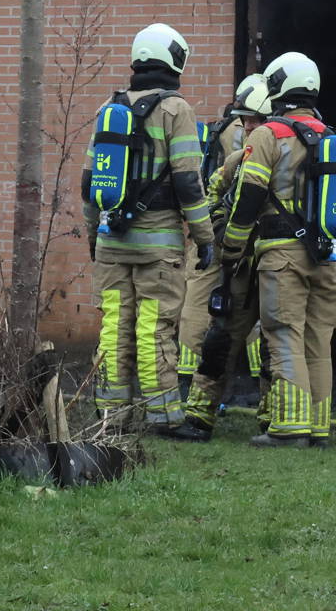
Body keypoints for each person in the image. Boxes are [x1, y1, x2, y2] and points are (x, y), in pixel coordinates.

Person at [85, 23, 215, 431]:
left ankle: (112, 414)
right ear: (175, 61)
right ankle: (163, 416)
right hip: (158, 246)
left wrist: (95, 235)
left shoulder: (109, 109)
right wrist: (205, 236)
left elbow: (90, 183)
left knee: (114, 326)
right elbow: (188, 182)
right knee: (154, 328)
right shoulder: (177, 111)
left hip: (111, 242)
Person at [222, 51, 336, 447]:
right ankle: (318, 427)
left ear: (277, 88)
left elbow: (249, 197)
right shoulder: (331, 137)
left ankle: (290, 428)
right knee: (318, 341)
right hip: (326, 256)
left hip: (281, 254)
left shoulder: (267, 134)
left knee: (283, 333)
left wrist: (232, 246)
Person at [174, 74, 272, 441]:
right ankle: (199, 415)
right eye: (245, 120)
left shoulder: (283, 147)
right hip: (239, 262)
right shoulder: (238, 153)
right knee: (222, 334)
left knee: (272, 342)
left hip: (270, 259)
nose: (248, 127)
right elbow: (215, 191)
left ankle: (271, 418)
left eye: (254, 120)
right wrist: (221, 233)